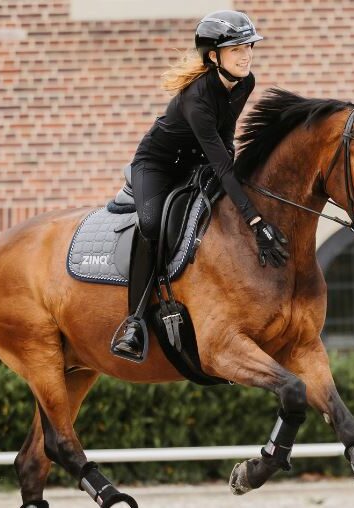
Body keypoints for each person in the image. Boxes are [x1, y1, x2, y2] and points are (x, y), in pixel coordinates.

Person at [111, 10, 289, 360]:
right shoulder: (196, 98)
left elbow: (226, 139)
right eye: (237, 48)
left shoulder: (245, 82)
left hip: (196, 164)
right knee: (150, 223)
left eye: (249, 46)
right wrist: (256, 220)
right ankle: (134, 323)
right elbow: (222, 163)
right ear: (213, 55)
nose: (247, 54)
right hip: (157, 166)